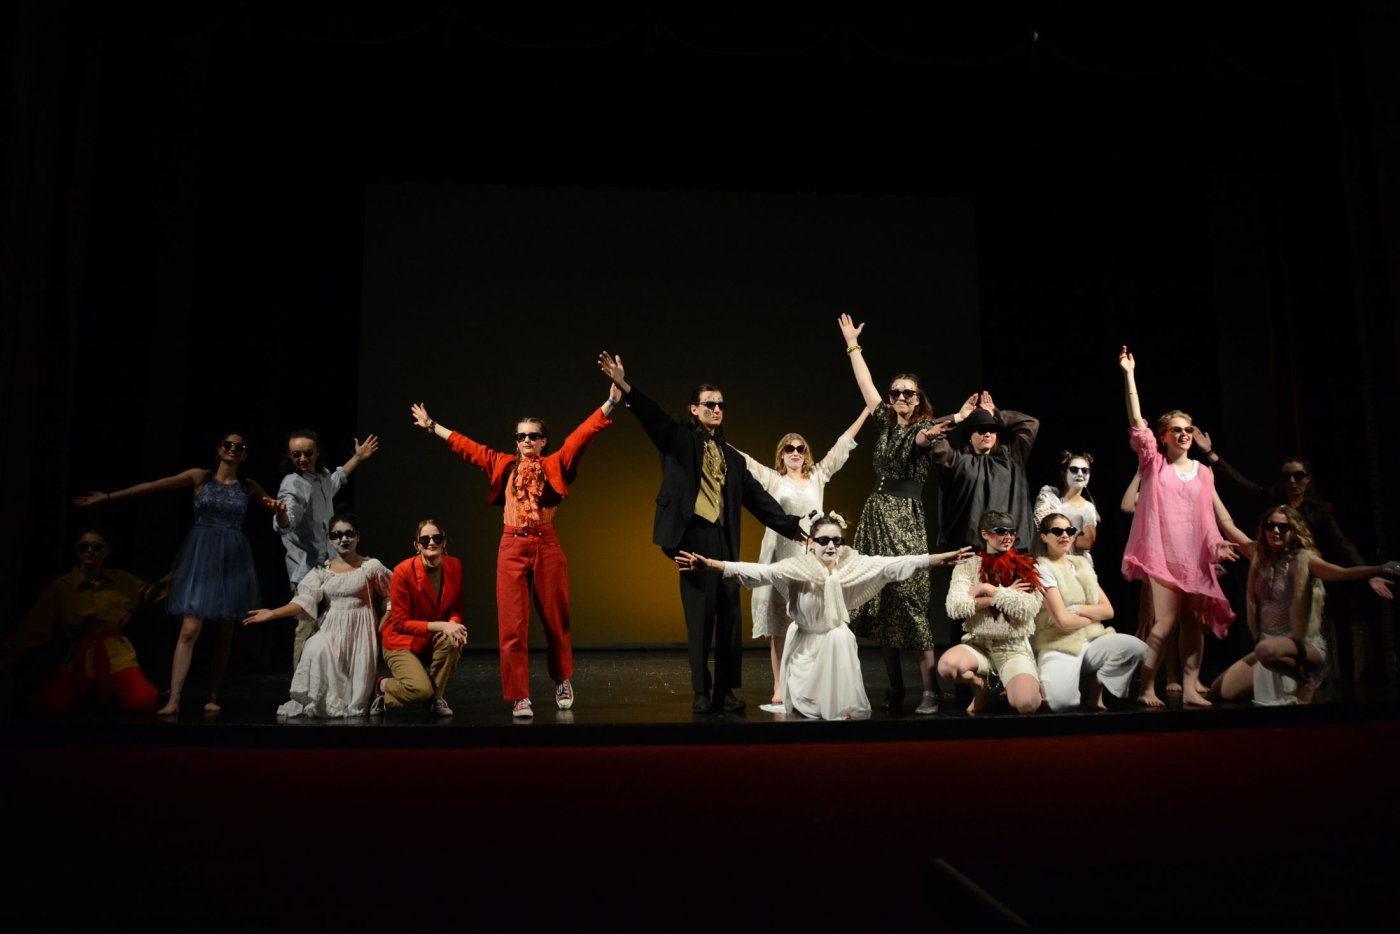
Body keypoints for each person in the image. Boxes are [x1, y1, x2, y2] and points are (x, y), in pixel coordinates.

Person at [598, 351, 804, 714]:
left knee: (730, 618)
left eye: (720, 404)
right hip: (693, 537)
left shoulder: (732, 458)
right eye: (709, 404)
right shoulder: (679, 436)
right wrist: (625, 387)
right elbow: (653, 416)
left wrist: (794, 527)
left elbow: (759, 500)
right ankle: (701, 693)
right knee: (700, 618)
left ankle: (725, 691)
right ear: (694, 409)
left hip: (724, 541)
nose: (716, 409)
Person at [410, 382, 621, 718]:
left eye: (533, 436)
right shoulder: (502, 464)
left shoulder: (555, 463)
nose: (526, 441)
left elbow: (581, 437)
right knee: (511, 626)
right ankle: (519, 696)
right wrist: (432, 425)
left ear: (543, 440)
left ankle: (562, 678)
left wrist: (610, 401)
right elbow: (467, 447)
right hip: (511, 546)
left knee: (556, 619)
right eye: (521, 436)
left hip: (546, 543)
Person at [675, 512, 971, 720]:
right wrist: (711, 564)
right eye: (824, 540)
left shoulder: (851, 566)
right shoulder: (796, 568)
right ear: (811, 543)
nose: (831, 546)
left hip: (833, 643)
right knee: (807, 708)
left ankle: (837, 704)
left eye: (836, 541)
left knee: (839, 638)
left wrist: (938, 559)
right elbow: (758, 571)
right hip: (804, 644)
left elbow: (894, 564)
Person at [74, 431, 286, 715]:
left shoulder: (248, 486)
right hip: (201, 554)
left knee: (225, 630)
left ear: (245, 455)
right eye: (228, 444)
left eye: (240, 447)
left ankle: (212, 694)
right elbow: (153, 486)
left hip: (232, 557)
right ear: (219, 449)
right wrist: (109, 497)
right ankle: (174, 699)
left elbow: (279, 515)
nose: (233, 449)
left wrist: (281, 512)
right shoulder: (199, 477)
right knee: (190, 627)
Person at [1191, 435, 1394, 680]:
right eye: (1270, 525)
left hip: (1309, 576)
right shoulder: (1268, 531)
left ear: (1308, 479)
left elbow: (1343, 551)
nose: (1292, 481)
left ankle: (1329, 679)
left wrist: (1373, 573)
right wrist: (1210, 461)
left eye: (1298, 476)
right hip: (1272, 622)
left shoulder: (1316, 520)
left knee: (1322, 624)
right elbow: (1237, 503)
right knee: (1230, 683)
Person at [1117, 347, 1251, 707]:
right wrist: (1129, 374)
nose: (1183, 434)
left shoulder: (1204, 472)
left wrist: (1227, 543)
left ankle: (1191, 686)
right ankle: (1147, 687)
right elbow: (1137, 421)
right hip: (1163, 555)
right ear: (1163, 436)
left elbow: (1213, 517)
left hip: (1195, 557)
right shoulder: (1153, 464)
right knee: (1165, 622)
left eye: (1187, 429)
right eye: (1176, 430)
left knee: (1193, 620)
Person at [838, 313, 952, 715]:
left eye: (909, 393)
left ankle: (930, 690)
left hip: (904, 520)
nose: (901, 398)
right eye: (896, 393)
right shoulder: (885, 424)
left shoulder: (922, 428)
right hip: (875, 518)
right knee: (881, 602)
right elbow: (864, 383)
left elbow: (926, 435)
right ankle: (895, 687)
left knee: (909, 602)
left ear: (918, 399)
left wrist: (947, 424)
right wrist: (853, 345)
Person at [733, 407, 871, 708]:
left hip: (810, 558)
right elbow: (743, 459)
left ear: (806, 453)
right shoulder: (773, 479)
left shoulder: (818, 476)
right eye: (789, 448)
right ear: (781, 454)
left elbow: (842, 444)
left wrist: (866, 411)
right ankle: (779, 684)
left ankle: (811, 682)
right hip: (779, 555)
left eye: (800, 448)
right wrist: (710, 438)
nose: (795, 452)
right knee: (780, 627)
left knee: (812, 621)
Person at [1209, 507, 1397, 705]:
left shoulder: (1303, 560)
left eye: (1283, 527)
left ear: (1294, 531)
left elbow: (1340, 573)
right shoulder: (1258, 554)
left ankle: (1304, 680)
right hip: (1270, 648)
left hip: (1303, 645)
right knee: (1219, 691)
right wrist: (1210, 490)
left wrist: (1380, 569)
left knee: (1265, 650)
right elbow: (1228, 524)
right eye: (1270, 526)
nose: (1275, 531)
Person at [0, 530, 165, 713]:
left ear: (107, 551)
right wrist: (5, 656)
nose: (90, 551)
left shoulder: (123, 581)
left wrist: (186, 572)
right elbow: (34, 629)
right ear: (77, 551)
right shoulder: (61, 587)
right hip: (80, 655)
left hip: (116, 653)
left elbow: (155, 592)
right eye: (84, 547)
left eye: (97, 547)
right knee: (50, 703)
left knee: (143, 699)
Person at [244, 512, 390, 717]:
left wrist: (384, 624)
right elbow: (303, 601)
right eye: (337, 535)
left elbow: (394, 594)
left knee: (353, 699)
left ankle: (372, 693)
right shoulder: (323, 570)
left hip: (360, 631)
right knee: (314, 647)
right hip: (330, 629)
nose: (344, 539)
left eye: (349, 533)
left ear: (358, 536)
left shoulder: (370, 566)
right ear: (330, 540)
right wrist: (273, 613)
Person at [274, 429, 380, 668]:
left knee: (330, 626)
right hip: (306, 569)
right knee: (306, 629)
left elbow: (335, 481)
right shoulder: (292, 483)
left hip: (329, 565)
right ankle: (300, 685)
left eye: (307, 453)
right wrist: (281, 515)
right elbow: (288, 521)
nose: (302, 459)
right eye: (296, 454)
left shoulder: (320, 476)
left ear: (317, 452)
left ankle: (325, 680)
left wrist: (358, 457)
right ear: (290, 456)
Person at [1033, 512, 1146, 711]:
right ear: (1044, 537)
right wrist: (1092, 617)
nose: (1065, 535)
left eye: (1070, 531)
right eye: (1057, 531)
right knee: (1063, 704)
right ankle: (1055, 678)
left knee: (1138, 648)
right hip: (1060, 643)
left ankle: (1097, 683)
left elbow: (1108, 611)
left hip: (1092, 638)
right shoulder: (1042, 568)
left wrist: (1078, 609)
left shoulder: (1082, 564)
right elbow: (1063, 622)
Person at [940, 509, 1045, 715]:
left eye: (1011, 531)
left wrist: (988, 590)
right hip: (979, 644)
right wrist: (1003, 596)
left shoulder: (1024, 565)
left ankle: (1018, 684)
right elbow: (955, 607)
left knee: (1027, 705)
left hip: (1012, 648)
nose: (1008, 537)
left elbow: (1027, 608)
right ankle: (982, 686)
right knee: (947, 667)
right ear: (985, 534)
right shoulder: (968, 566)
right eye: (1001, 531)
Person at [372, 520, 467, 716]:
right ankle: (383, 686)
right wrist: (443, 626)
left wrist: (453, 624)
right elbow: (400, 624)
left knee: (453, 639)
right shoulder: (403, 571)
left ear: (443, 542)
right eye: (425, 540)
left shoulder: (454, 565)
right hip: (400, 641)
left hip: (428, 639)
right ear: (417, 545)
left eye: (436, 538)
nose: (431, 542)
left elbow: (457, 607)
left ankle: (435, 699)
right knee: (420, 690)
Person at [933, 393, 1041, 556]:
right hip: (968, 551)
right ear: (970, 436)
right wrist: (958, 417)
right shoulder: (955, 458)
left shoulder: (1011, 457)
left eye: (993, 430)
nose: (988, 434)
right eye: (982, 430)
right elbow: (927, 431)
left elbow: (1031, 424)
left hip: (1009, 550)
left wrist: (997, 415)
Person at [1033, 451, 1099, 559]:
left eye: (1084, 470)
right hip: (1047, 560)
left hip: (1075, 564)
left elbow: (1087, 543)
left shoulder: (1088, 508)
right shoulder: (1048, 496)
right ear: (1063, 474)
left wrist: (1060, 533)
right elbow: (1044, 527)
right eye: (1074, 470)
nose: (1080, 474)